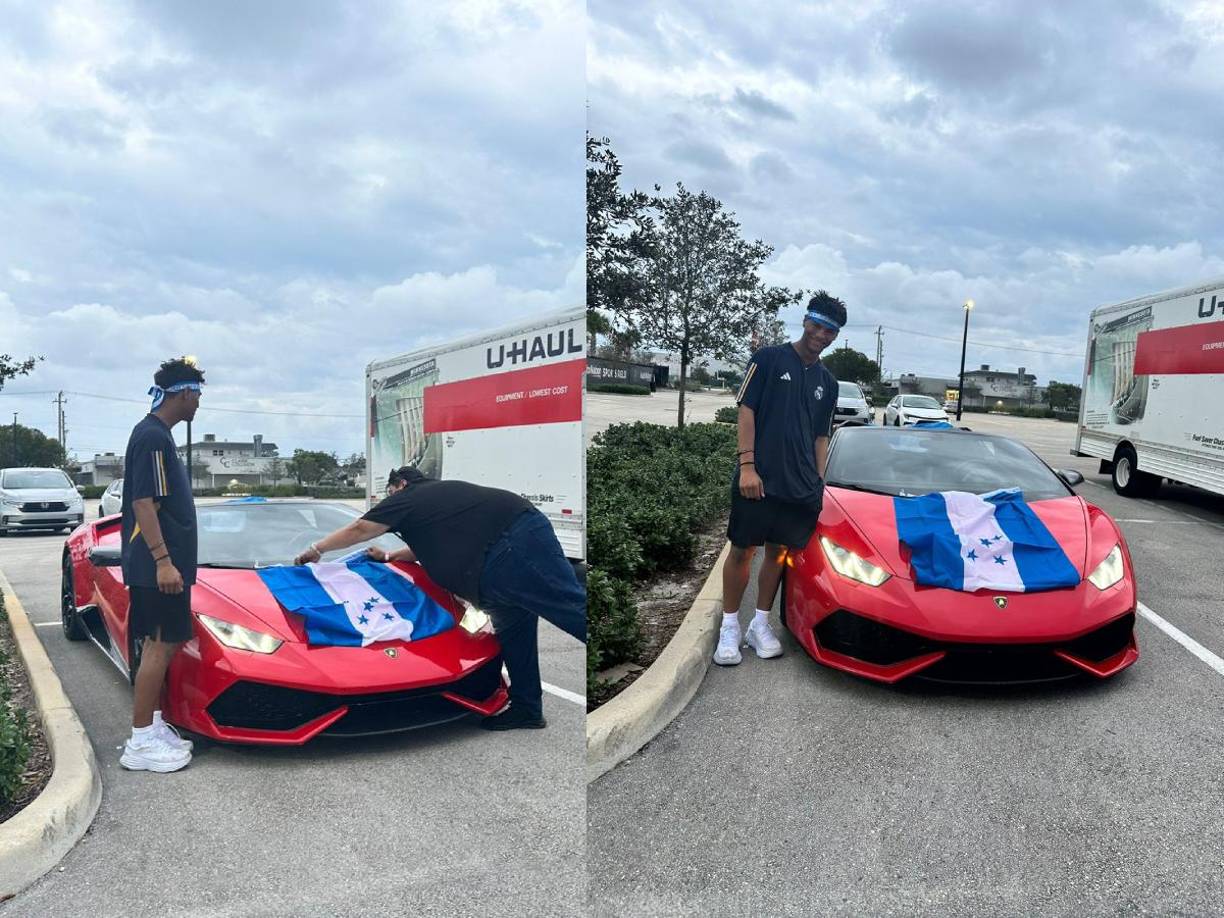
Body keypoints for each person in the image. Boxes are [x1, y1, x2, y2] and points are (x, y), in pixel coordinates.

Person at [293, 467, 586, 731]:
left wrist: (317, 549)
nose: (388, 499)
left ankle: (622, 645)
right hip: (492, 571)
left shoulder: (411, 495)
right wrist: (390, 556)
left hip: (511, 547)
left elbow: (361, 528)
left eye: (390, 492)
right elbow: (429, 546)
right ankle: (526, 708)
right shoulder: (434, 507)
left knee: (570, 607)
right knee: (515, 635)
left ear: (401, 484)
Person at [716, 291, 846, 665]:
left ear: (836, 336)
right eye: (818, 325)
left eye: (830, 331)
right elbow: (746, 412)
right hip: (757, 479)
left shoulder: (828, 383)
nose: (822, 334)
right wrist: (747, 467)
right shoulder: (769, 359)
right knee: (742, 549)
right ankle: (729, 628)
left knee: (778, 552)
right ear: (806, 321)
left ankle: (759, 624)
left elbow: (821, 437)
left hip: (800, 486)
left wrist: (818, 484)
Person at [118, 356, 204, 772]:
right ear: (184, 393)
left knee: (163, 643)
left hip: (164, 567)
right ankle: (140, 743)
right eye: (198, 395)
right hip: (159, 570)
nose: (198, 404)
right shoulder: (153, 436)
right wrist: (164, 562)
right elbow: (143, 503)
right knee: (158, 644)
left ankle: (151, 727)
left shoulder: (157, 435)